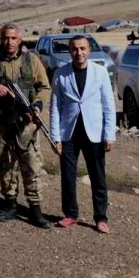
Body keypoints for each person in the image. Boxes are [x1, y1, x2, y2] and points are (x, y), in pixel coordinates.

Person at [0, 22, 53, 228]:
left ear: (19, 39)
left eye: (13, 38)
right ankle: (10, 204)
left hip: (27, 124)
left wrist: (37, 106)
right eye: (5, 38)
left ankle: (35, 210)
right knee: (4, 163)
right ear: (0, 39)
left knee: (31, 165)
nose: (9, 42)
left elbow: (44, 87)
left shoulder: (32, 60)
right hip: (1, 122)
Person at [49, 35, 116, 234]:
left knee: (98, 176)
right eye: (75, 49)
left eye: (83, 48)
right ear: (70, 51)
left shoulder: (100, 72)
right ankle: (70, 214)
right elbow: (55, 107)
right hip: (68, 133)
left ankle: (101, 217)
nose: (79, 52)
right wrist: (55, 137)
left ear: (88, 50)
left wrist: (109, 133)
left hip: (94, 132)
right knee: (68, 176)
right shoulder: (61, 74)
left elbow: (109, 105)